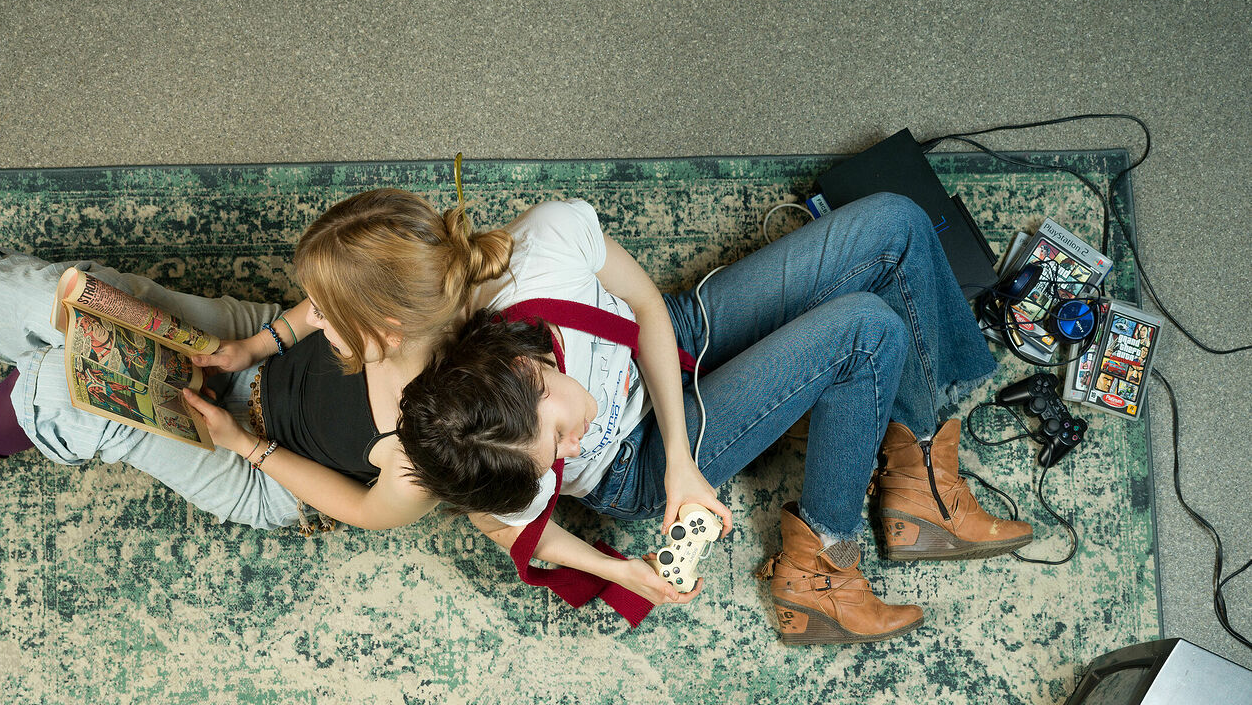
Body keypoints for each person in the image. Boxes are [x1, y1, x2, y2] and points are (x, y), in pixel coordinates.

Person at [397, 193, 1033, 644]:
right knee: (867, 332)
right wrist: (621, 569)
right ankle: (819, 564)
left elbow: (646, 305)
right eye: (555, 460)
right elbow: (503, 524)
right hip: (636, 461)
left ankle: (916, 465)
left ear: (527, 368)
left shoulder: (546, 247)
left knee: (897, 224)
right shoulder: (494, 453)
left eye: (558, 433)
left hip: (666, 340)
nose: (569, 449)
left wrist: (684, 454)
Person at [0, 189, 512, 533]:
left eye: (327, 313)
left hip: (269, 469)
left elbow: (365, 511)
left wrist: (246, 444)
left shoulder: (431, 442)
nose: (313, 311)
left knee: (82, 396)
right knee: (105, 299)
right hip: (260, 355)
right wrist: (259, 343)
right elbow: (317, 309)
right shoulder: (432, 284)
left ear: (386, 330)